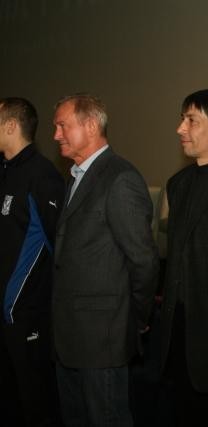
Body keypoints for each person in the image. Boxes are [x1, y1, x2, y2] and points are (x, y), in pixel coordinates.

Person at [51, 94, 159, 427]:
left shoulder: (119, 178)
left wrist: (135, 318)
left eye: (62, 126)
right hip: (70, 334)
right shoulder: (76, 176)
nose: (56, 135)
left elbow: (143, 260)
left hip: (103, 337)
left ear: (90, 126)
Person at [156, 89, 208, 426]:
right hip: (177, 329)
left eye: (191, 120)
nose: (181, 128)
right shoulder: (177, 184)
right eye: (182, 119)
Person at [0, 97, 65, 427]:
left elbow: (57, 248)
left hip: (27, 315)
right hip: (4, 315)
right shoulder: (5, 171)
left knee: (35, 403)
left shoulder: (42, 175)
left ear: (11, 126)